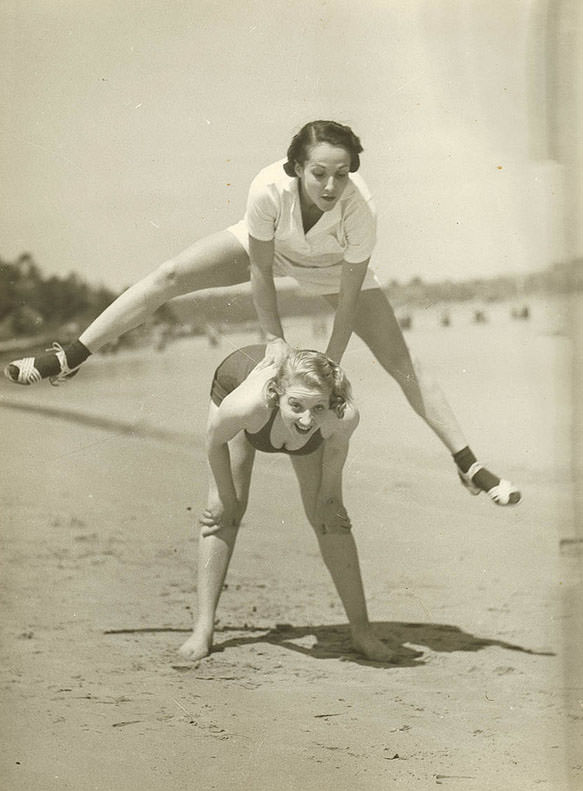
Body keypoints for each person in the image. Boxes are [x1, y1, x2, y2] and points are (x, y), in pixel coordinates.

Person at [4, 119, 520, 506]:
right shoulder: (267, 188)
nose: (330, 185)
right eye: (319, 173)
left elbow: (347, 293)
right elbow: (261, 270)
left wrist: (333, 361)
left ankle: (466, 463)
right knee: (168, 276)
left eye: (341, 174)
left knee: (401, 361)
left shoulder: (360, 209)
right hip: (271, 250)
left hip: (333, 267)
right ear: (297, 167)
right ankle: (70, 356)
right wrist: (274, 338)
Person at [178, 344, 397, 663]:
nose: (307, 420)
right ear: (276, 392)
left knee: (331, 518)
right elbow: (214, 440)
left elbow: (334, 458)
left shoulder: (341, 416)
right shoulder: (248, 405)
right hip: (239, 384)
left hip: (295, 396)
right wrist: (225, 497)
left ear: (331, 402)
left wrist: (329, 500)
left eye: (318, 408)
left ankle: (362, 632)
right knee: (225, 512)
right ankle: (203, 628)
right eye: (296, 405)